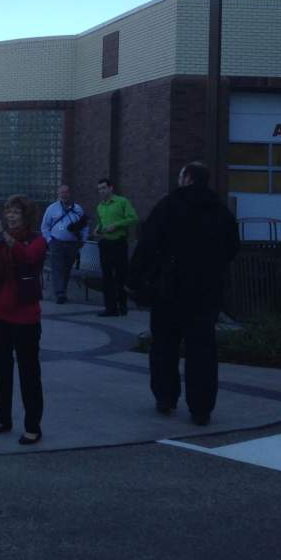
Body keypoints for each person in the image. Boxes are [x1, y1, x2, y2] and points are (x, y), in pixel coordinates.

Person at [129, 162, 239, 426]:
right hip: (205, 292)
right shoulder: (220, 211)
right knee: (202, 350)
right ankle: (201, 408)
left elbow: (147, 244)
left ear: (187, 177)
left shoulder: (168, 206)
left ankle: (165, 397)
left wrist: (135, 279)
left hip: (169, 290)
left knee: (164, 346)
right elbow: (232, 248)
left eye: (180, 175)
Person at [0, 195, 48, 445]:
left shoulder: (37, 240)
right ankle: (3, 418)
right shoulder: (2, 244)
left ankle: (32, 426)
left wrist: (3, 234)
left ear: (26, 215)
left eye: (16, 212)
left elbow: (26, 257)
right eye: (8, 212)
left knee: (29, 373)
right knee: (1, 370)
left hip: (26, 318)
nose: (10, 216)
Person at [92, 177, 139, 317]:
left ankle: (122, 306)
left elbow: (133, 218)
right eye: (99, 189)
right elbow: (100, 223)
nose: (102, 191)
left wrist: (116, 225)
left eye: (104, 188)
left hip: (119, 243)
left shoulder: (122, 202)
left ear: (111, 188)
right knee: (106, 277)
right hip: (105, 243)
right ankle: (110, 308)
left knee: (121, 275)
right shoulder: (100, 206)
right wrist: (97, 229)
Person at [40, 184, 88, 304]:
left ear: (69, 193)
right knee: (57, 268)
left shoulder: (78, 209)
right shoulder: (52, 208)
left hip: (73, 244)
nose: (64, 195)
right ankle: (59, 293)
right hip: (56, 242)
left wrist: (83, 240)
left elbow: (85, 226)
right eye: (62, 192)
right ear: (58, 194)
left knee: (66, 269)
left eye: (66, 192)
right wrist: (49, 241)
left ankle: (63, 291)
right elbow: (44, 227)